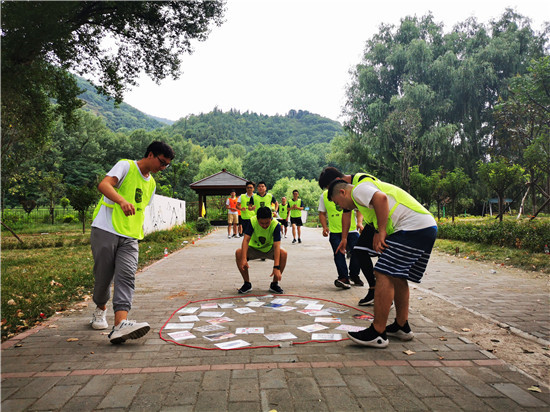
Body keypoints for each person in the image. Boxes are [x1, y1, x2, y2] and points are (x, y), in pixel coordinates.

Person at [327, 177, 437, 348]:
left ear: (343, 192)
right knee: (397, 276)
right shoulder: (362, 201)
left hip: (413, 227)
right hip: (424, 226)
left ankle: (377, 332)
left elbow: (382, 199)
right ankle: (402, 326)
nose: (341, 207)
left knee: (383, 272)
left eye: (338, 203)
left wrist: (381, 230)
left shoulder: (358, 190)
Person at [90, 141, 175, 344]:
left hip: (131, 236)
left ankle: (120, 324)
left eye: (166, 165)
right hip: (106, 229)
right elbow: (103, 184)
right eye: (162, 162)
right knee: (103, 279)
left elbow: (141, 208)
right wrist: (121, 200)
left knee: (127, 277)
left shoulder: (151, 183)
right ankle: (100, 308)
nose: (162, 168)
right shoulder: (126, 166)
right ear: (151, 154)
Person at [318, 167, 378, 305]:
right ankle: (374, 289)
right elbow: (346, 213)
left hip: (385, 222)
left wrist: (380, 231)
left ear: (337, 181)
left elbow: (381, 200)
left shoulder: (362, 183)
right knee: (359, 251)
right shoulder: (347, 192)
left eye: (330, 188)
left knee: (382, 262)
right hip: (372, 223)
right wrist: (344, 238)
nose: (330, 193)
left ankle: (383, 293)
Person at [235, 206, 287, 294]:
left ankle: (274, 284)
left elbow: (277, 246)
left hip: (269, 249)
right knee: (239, 252)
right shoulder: (252, 221)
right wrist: (244, 259)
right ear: (257, 219)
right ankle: (247, 284)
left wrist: (276, 267)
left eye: (267, 222)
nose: (265, 225)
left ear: (271, 218)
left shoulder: (276, 225)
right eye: (262, 223)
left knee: (283, 253)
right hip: (254, 249)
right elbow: (246, 240)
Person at [318, 190, 364, 289]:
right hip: (335, 232)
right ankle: (343, 278)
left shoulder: (347, 193)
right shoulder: (324, 196)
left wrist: (359, 222)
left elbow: (359, 209)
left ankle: (354, 275)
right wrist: (324, 227)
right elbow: (322, 213)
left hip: (352, 230)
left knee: (358, 251)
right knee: (339, 253)